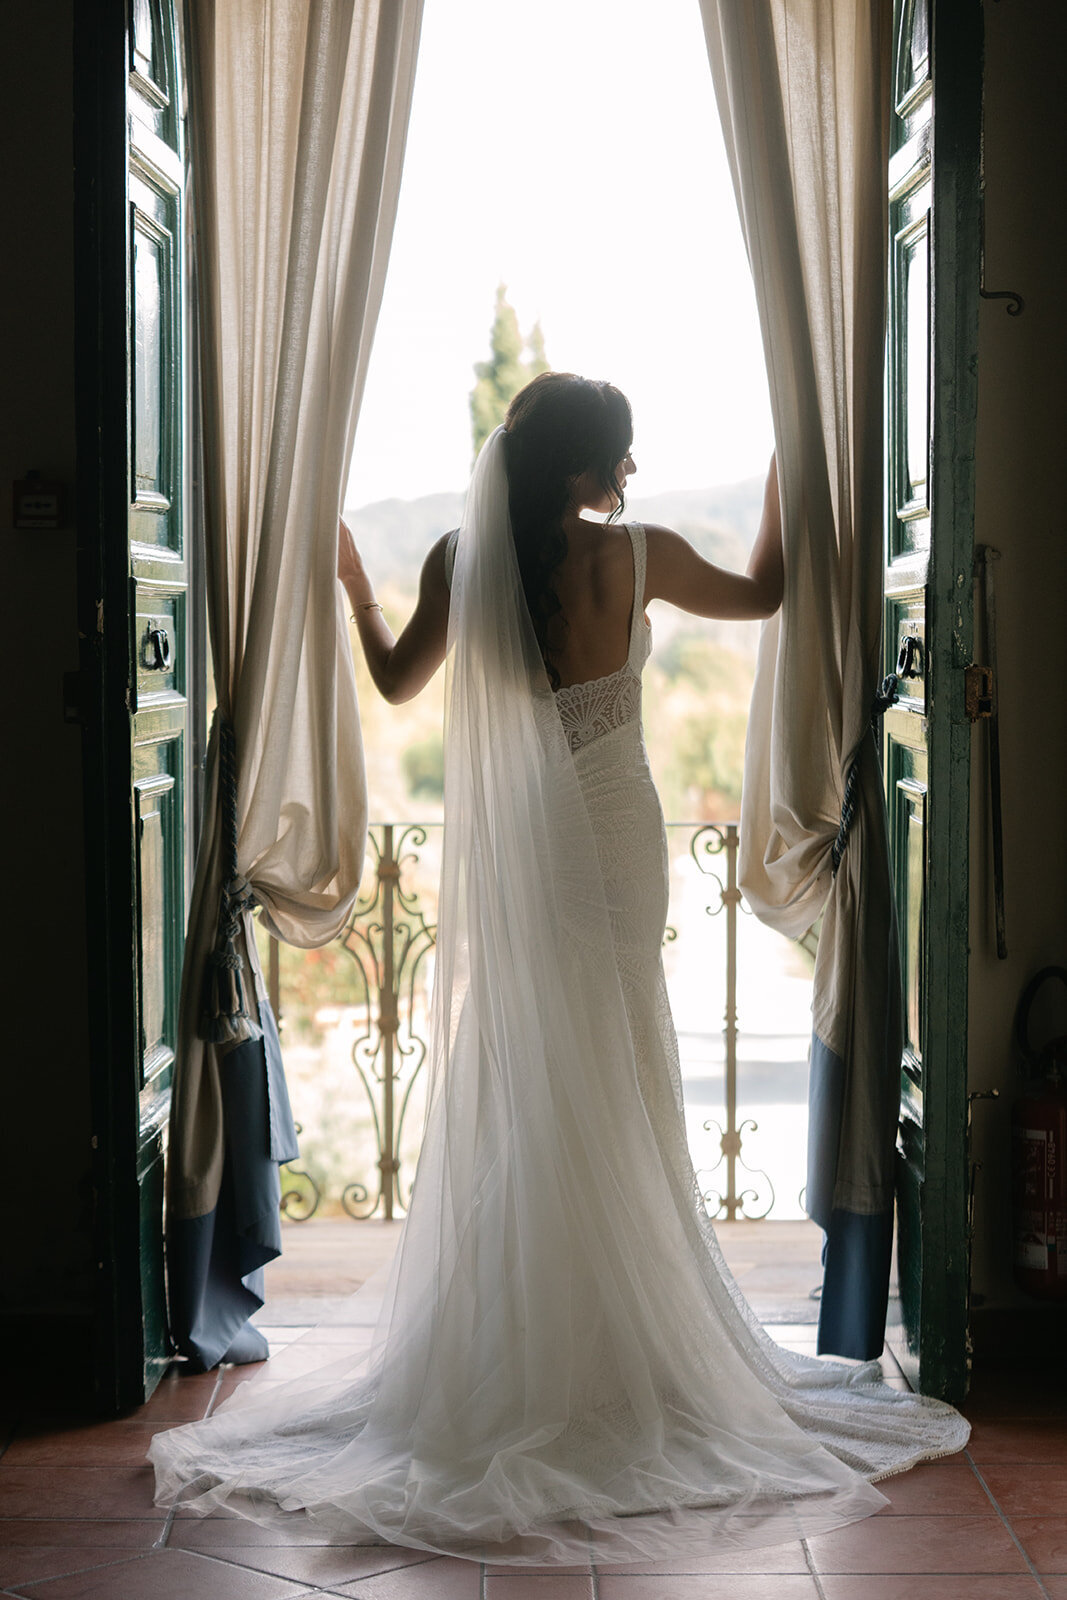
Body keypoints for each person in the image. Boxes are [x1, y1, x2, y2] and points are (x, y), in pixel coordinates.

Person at [149, 372, 967, 1566]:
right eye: (621, 455)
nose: (631, 472)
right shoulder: (642, 555)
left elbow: (394, 679)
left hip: (531, 850)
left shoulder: (459, 558)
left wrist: (353, 585)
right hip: (621, 837)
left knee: (535, 1073)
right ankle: (626, 1340)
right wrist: (792, 468)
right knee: (621, 1070)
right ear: (584, 470)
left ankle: (537, 1338)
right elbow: (766, 590)